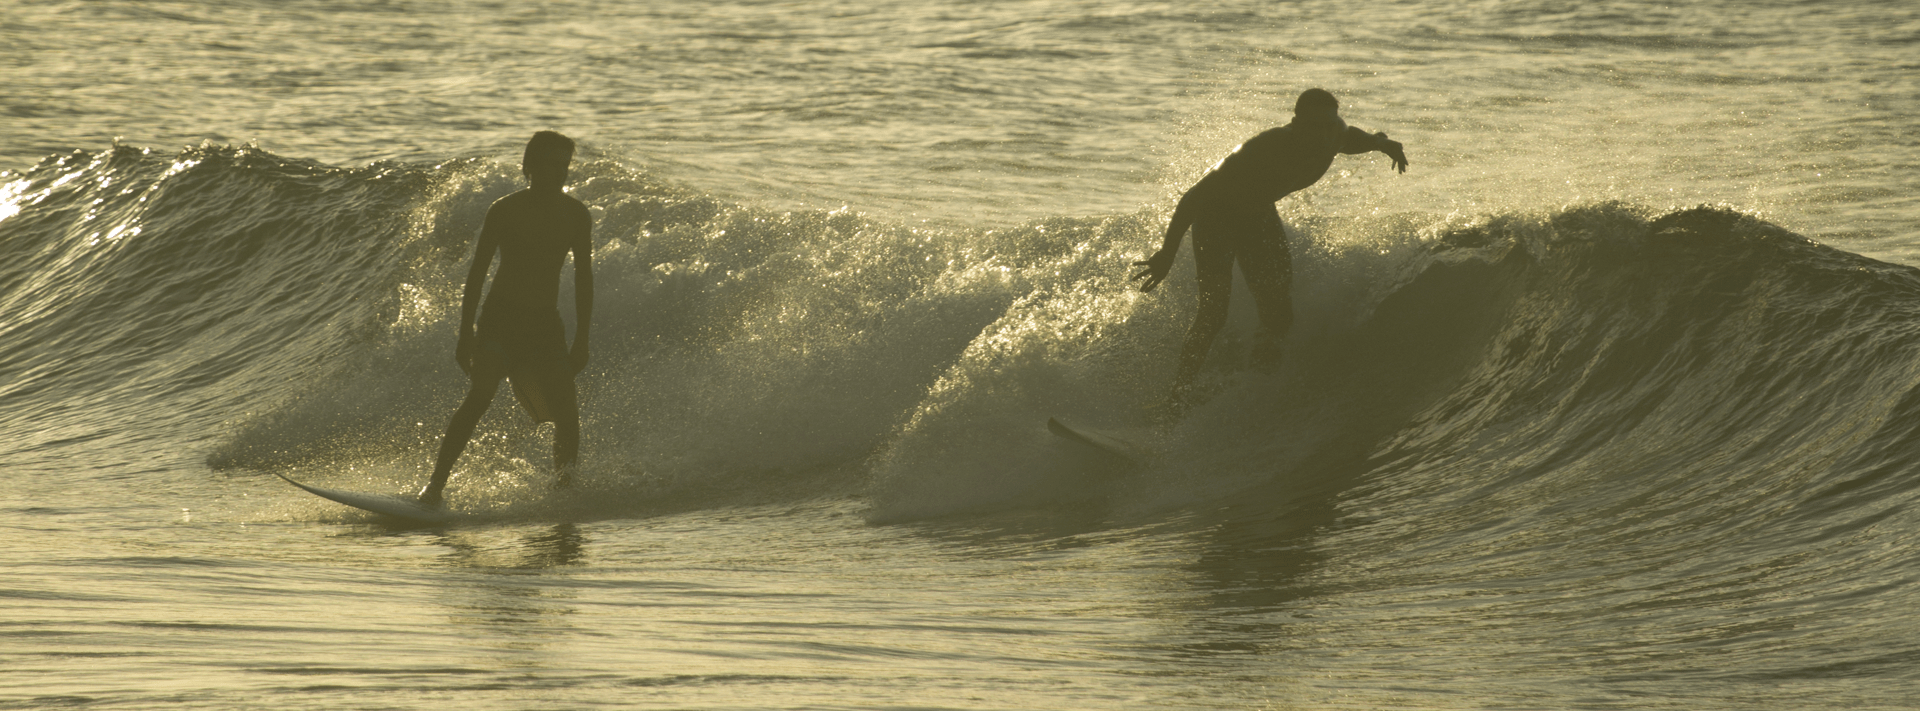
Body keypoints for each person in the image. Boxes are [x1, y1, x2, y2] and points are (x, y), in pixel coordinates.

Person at [1131, 88, 1408, 411]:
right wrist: (1166, 254)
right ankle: (1174, 401)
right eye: (1314, 126)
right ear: (1296, 124)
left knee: (1279, 314)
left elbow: (1354, 139)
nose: (1322, 134)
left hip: (1258, 216)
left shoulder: (1336, 134)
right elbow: (1195, 198)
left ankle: (1254, 386)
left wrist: (1382, 143)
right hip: (1217, 218)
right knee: (1213, 314)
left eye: (1328, 126)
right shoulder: (1263, 148)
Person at [419, 130, 594, 508]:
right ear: (529, 166)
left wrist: (582, 338)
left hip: (545, 324)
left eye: (563, 166)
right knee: (481, 393)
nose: (557, 173)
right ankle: (434, 487)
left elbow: (584, 280)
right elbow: (478, 273)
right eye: (548, 164)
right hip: (501, 318)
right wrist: (465, 333)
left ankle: (564, 492)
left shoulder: (576, 215)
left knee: (566, 411)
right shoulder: (505, 209)